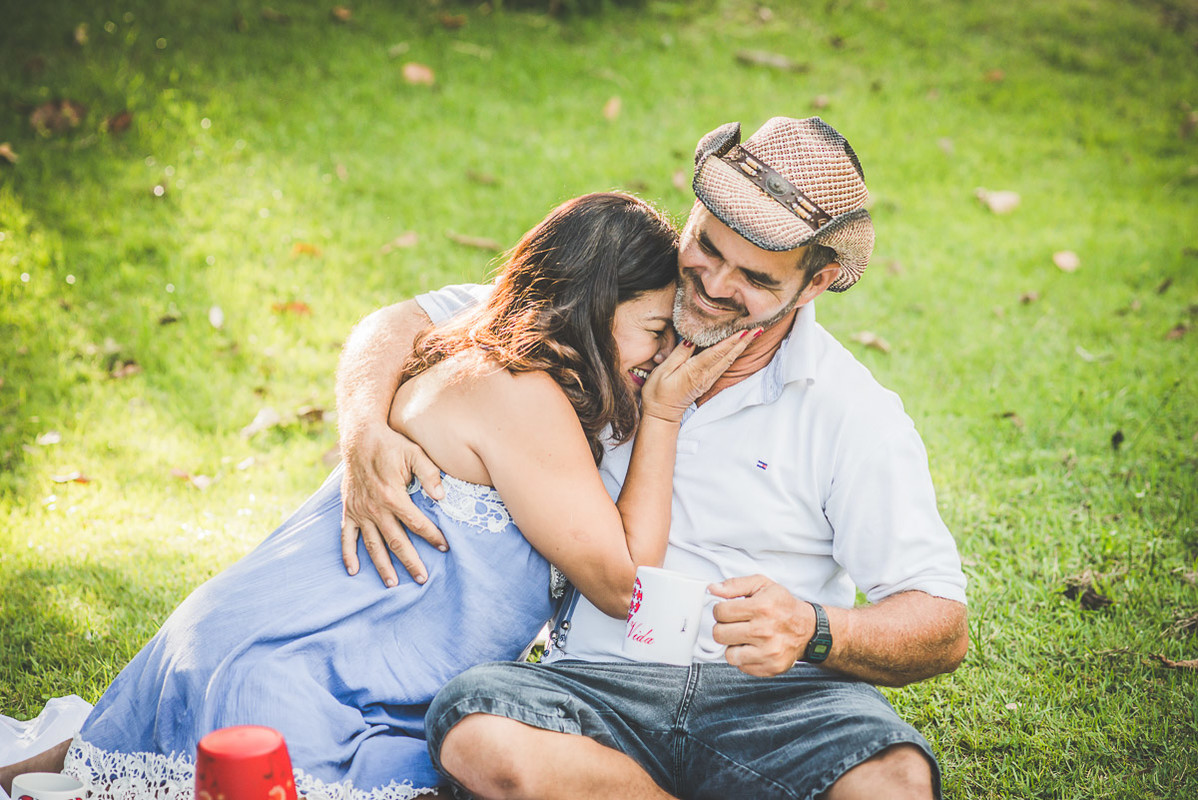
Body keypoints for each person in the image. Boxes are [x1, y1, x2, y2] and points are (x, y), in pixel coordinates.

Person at [0, 193, 754, 800]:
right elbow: (628, 587)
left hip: (237, 644)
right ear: (596, 306)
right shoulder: (526, 398)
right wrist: (663, 412)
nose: (659, 356)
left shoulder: (473, 347)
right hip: (296, 689)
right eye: (654, 330)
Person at [334, 117, 970, 800]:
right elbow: (403, 321)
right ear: (694, 213)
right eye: (706, 246)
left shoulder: (852, 412)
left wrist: (814, 629)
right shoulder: (614, 302)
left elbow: (940, 622)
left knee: (894, 778)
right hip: (593, 687)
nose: (712, 284)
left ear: (816, 284)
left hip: (775, 699)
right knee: (477, 731)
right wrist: (365, 427)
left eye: (754, 276)